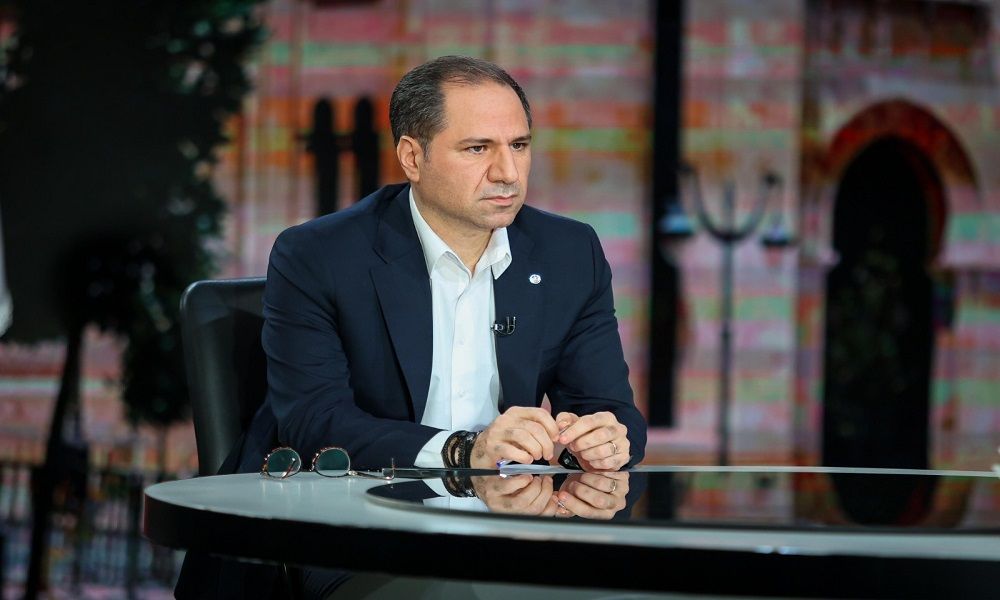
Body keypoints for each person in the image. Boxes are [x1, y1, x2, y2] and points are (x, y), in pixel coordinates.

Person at [178, 54, 647, 600]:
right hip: (353, 525)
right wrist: (463, 452)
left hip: (511, 524)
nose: (508, 172)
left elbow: (610, 409)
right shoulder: (319, 255)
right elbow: (314, 420)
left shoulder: (570, 253)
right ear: (412, 157)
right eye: (478, 149)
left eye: (519, 145)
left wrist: (597, 442)